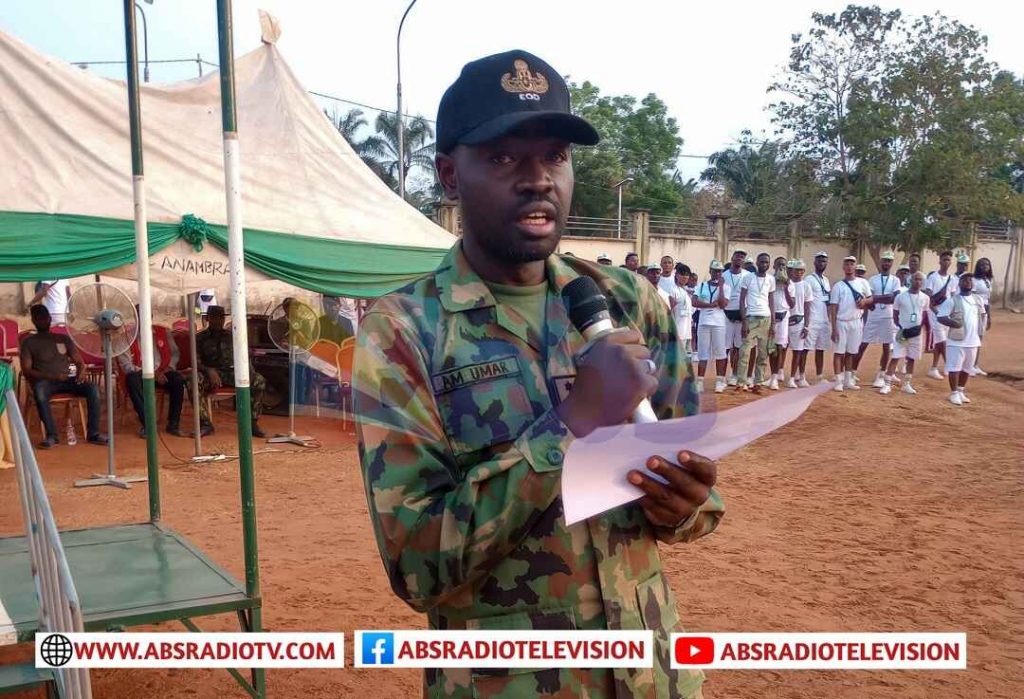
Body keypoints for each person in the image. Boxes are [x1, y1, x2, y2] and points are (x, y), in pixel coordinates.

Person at [355, 50, 722, 699]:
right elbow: (417, 568)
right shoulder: (405, 331)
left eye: (554, 156)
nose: (538, 179)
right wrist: (571, 422)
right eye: (503, 158)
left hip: (651, 674)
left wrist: (687, 503)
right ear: (448, 174)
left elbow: (695, 503)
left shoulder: (627, 301)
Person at [19, 305, 107, 448]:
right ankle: (52, 436)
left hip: (67, 379)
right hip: (45, 382)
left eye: (45, 317)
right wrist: (51, 376)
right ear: (33, 320)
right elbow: (27, 370)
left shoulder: (63, 338)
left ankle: (93, 433)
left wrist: (81, 371)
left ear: (50, 319)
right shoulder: (29, 342)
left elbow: (78, 361)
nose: (43, 321)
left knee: (93, 389)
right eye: (39, 318)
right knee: (39, 391)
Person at [194, 305, 267, 437]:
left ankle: (252, 423)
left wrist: (249, 372)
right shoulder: (199, 338)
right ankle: (205, 424)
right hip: (210, 374)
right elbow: (195, 361)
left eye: (221, 318)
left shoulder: (232, 336)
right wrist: (209, 370)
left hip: (232, 373)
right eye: (215, 317)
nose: (218, 321)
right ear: (208, 319)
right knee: (193, 381)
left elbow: (244, 356)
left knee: (259, 380)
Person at [118, 322, 188, 437]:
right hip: (140, 373)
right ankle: (148, 424)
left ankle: (173, 424)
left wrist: (168, 368)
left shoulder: (163, 332)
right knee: (131, 380)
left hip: (162, 372)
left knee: (177, 380)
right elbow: (126, 365)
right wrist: (150, 373)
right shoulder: (126, 336)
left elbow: (175, 354)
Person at [936, 273, 982, 406]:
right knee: (954, 368)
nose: (968, 282)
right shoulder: (952, 300)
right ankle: (954, 393)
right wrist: (953, 324)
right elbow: (941, 317)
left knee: (967, 368)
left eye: (970, 280)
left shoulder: (977, 300)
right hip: (956, 341)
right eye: (964, 280)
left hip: (973, 341)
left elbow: (981, 317)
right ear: (959, 283)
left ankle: (961, 390)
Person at [856, 251, 900, 388]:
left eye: (889, 261)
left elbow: (893, 298)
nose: (886, 263)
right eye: (885, 260)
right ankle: (851, 372)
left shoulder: (895, 280)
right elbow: (868, 300)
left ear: (892, 263)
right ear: (881, 262)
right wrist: (875, 300)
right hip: (874, 316)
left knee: (886, 346)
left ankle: (881, 374)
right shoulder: (873, 279)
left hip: (888, 316)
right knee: (863, 344)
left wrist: (874, 298)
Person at [829, 256, 873, 392]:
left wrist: (865, 302)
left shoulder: (863, 283)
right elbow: (833, 307)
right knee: (839, 352)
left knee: (851, 352)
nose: (849, 266)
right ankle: (838, 380)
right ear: (843, 267)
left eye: (851, 264)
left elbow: (871, 298)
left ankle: (848, 379)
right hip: (841, 322)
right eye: (846, 264)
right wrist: (834, 327)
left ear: (855, 267)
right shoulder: (838, 286)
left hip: (856, 321)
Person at [881, 271, 928, 395]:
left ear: (922, 282)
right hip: (902, 331)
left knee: (912, 358)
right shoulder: (901, 296)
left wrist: (919, 328)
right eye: (915, 279)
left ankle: (907, 384)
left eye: (920, 280)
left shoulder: (925, 298)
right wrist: (900, 327)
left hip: (916, 333)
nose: (917, 282)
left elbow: (924, 314)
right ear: (910, 280)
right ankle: (887, 384)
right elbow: (895, 314)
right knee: (896, 356)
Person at [736, 252, 776, 393]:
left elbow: (772, 302)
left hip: (766, 319)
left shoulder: (771, 279)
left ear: (769, 264)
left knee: (763, 353)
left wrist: (773, 324)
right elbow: (741, 300)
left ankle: (757, 383)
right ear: (757, 263)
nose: (764, 264)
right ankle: (741, 382)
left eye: (766, 262)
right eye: (762, 262)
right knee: (744, 352)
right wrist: (744, 321)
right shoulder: (748, 278)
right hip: (751, 318)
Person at [693, 260, 731, 393]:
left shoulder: (726, 288)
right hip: (703, 323)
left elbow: (722, 304)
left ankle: (720, 381)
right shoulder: (702, 285)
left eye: (719, 271)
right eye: (714, 270)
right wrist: (709, 305)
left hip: (719, 324)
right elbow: (694, 302)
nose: (717, 273)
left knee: (720, 352)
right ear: (710, 271)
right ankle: (700, 381)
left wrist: (720, 286)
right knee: (703, 353)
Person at [923, 251, 955, 380]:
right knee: (943, 341)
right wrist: (937, 313)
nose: (947, 262)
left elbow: (952, 297)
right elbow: (928, 298)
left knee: (939, 342)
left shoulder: (952, 279)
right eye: (944, 259)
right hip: (935, 313)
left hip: (947, 314)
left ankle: (934, 368)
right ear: (940, 261)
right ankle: (949, 365)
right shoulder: (933, 277)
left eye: (949, 260)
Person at [722, 249, 751, 385]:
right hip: (726, 315)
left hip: (741, 315)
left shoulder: (748, 276)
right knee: (726, 347)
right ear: (732, 258)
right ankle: (722, 376)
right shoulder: (723, 275)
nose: (739, 258)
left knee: (739, 347)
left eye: (742, 257)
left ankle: (734, 374)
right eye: (737, 256)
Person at [804, 251, 832, 383]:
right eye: (819, 260)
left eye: (824, 261)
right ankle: (800, 375)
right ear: (814, 262)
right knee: (806, 348)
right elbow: (806, 300)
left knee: (821, 349)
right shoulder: (809, 279)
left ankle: (819, 376)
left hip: (824, 319)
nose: (822, 263)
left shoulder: (826, 280)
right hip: (812, 319)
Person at [768, 257, 795, 389]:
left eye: (783, 265)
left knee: (779, 347)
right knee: (770, 348)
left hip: (783, 316)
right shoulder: (769, 280)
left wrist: (785, 287)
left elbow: (792, 304)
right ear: (774, 266)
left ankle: (775, 376)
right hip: (770, 316)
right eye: (779, 265)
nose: (781, 267)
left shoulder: (790, 283)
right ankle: (769, 375)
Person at [785, 259, 813, 388]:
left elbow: (807, 307)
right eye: (797, 270)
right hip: (785, 319)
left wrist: (806, 325)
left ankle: (792, 377)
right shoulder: (787, 283)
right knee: (781, 349)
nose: (799, 273)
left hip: (799, 320)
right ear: (792, 271)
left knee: (797, 351)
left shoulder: (806, 285)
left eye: (802, 270)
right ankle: (778, 373)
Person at [668, 263, 694, 372]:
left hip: (687, 332)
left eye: (687, 275)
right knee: (676, 359)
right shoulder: (672, 290)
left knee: (686, 359)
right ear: (676, 275)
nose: (685, 277)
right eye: (682, 274)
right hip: (678, 331)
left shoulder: (686, 292)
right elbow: (670, 310)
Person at [972, 257, 994, 375]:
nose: (985, 266)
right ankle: (969, 365)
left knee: (980, 337)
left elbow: (988, 299)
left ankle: (975, 364)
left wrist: (989, 316)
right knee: (972, 337)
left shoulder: (988, 280)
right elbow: (973, 296)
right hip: (975, 311)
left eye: (987, 264)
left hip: (984, 312)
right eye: (982, 264)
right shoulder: (974, 280)